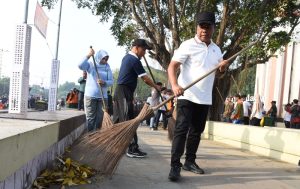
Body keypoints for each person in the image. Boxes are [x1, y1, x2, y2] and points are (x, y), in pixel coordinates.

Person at [167, 11, 229, 181]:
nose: (204, 30)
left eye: (208, 27)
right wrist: (174, 85)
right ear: (197, 27)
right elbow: (172, 67)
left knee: (196, 132)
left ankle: (190, 161)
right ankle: (175, 165)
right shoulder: (187, 45)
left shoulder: (217, 50)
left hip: (204, 98)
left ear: (213, 28)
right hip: (186, 94)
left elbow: (219, 75)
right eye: (202, 27)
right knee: (181, 129)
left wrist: (222, 68)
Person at [113, 38, 160, 158]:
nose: (144, 53)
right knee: (129, 120)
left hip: (123, 92)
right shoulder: (133, 60)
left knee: (120, 119)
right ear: (137, 48)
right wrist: (156, 87)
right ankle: (132, 148)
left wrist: (131, 95)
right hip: (123, 92)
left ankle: (115, 144)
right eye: (143, 50)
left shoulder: (127, 58)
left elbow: (128, 79)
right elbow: (145, 78)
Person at [78, 49, 114, 132]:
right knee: (90, 119)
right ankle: (88, 138)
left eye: (106, 59)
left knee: (100, 120)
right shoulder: (91, 64)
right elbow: (80, 65)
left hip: (102, 97)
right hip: (90, 97)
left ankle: (96, 138)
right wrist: (89, 55)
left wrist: (104, 82)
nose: (105, 61)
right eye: (103, 58)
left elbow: (111, 81)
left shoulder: (107, 67)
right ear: (98, 57)